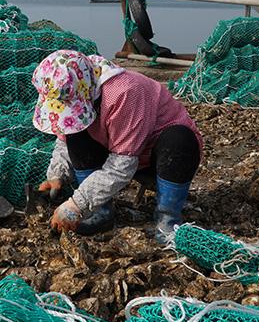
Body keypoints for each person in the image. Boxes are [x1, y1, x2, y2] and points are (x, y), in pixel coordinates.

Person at [32, 50, 202, 240]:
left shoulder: (124, 92)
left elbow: (122, 166)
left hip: (158, 158)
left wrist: (77, 204)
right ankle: (100, 212)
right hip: (116, 148)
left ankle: (168, 220)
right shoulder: (79, 86)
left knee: (179, 139)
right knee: (76, 134)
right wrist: (57, 174)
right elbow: (65, 137)